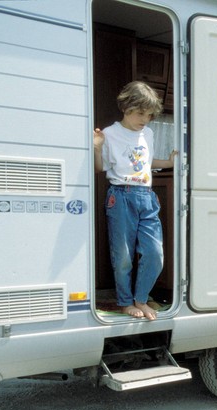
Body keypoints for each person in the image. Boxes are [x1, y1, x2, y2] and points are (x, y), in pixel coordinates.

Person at [93, 81, 177, 320]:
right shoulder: (110, 134)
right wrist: (97, 148)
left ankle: (141, 298)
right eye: (141, 113)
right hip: (120, 196)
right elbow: (100, 168)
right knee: (123, 256)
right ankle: (126, 302)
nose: (145, 119)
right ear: (126, 107)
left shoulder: (148, 133)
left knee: (155, 253)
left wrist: (169, 163)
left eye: (150, 115)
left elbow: (145, 163)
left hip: (146, 196)